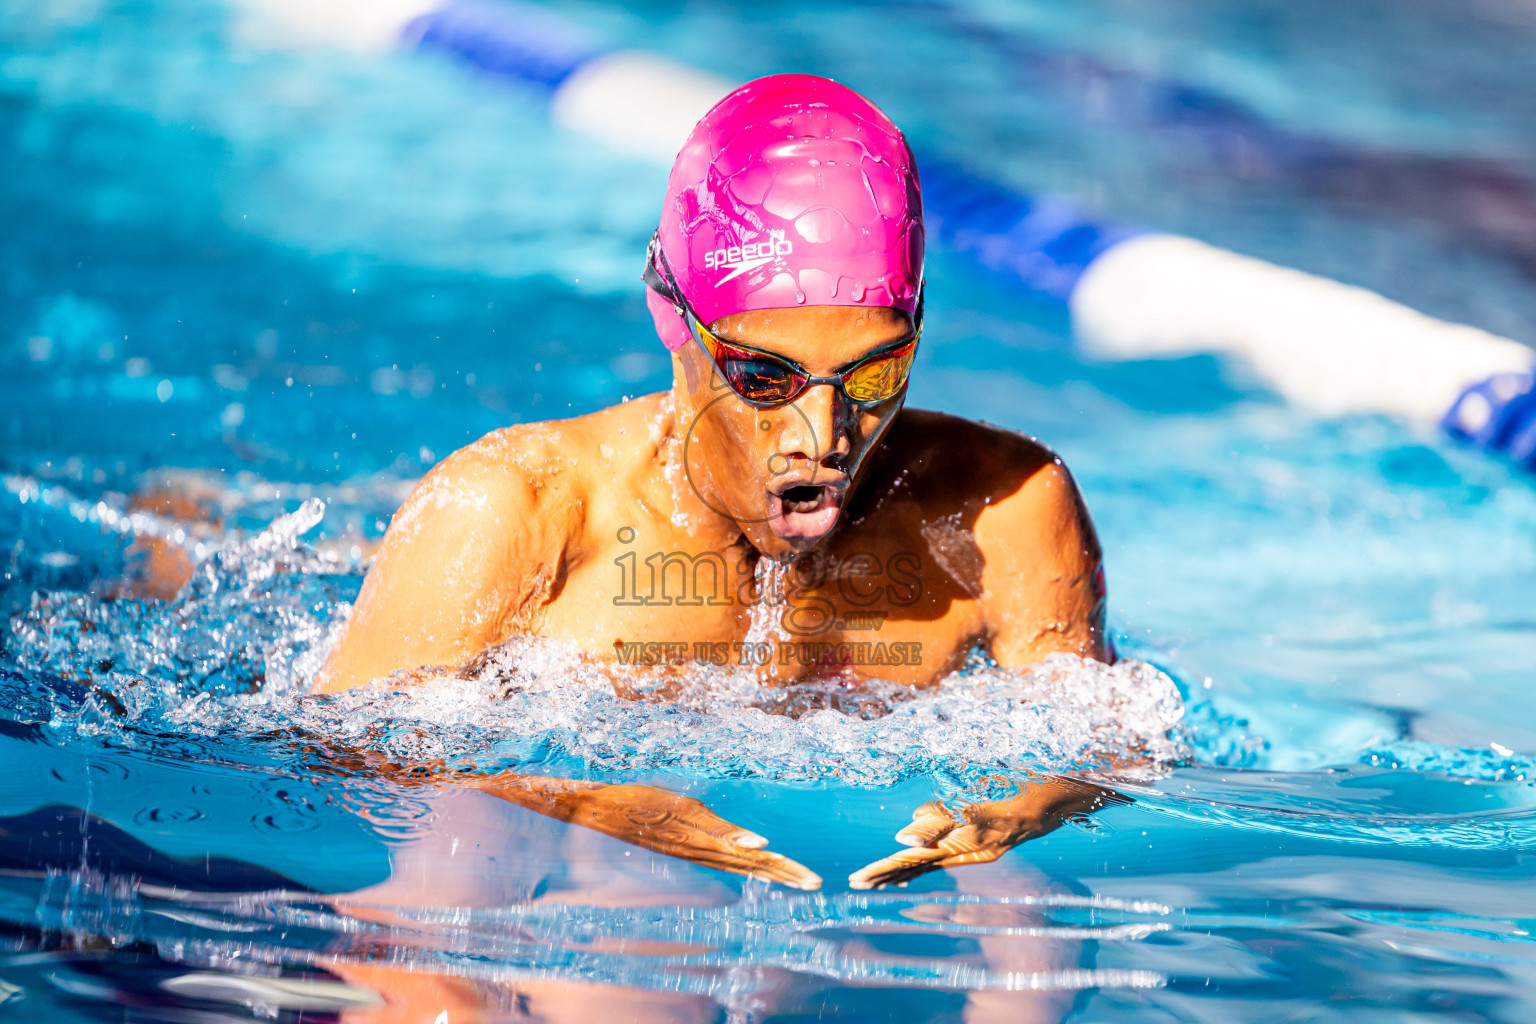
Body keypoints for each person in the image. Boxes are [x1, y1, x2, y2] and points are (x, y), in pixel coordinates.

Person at [314, 74, 1118, 891]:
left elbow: (1106, 744)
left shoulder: (1003, 509)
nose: (823, 437)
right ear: (674, 319)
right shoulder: (513, 510)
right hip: (589, 917)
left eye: (876, 372)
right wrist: (575, 804)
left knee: (1027, 925)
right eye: (765, 377)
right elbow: (344, 748)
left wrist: (1024, 810)